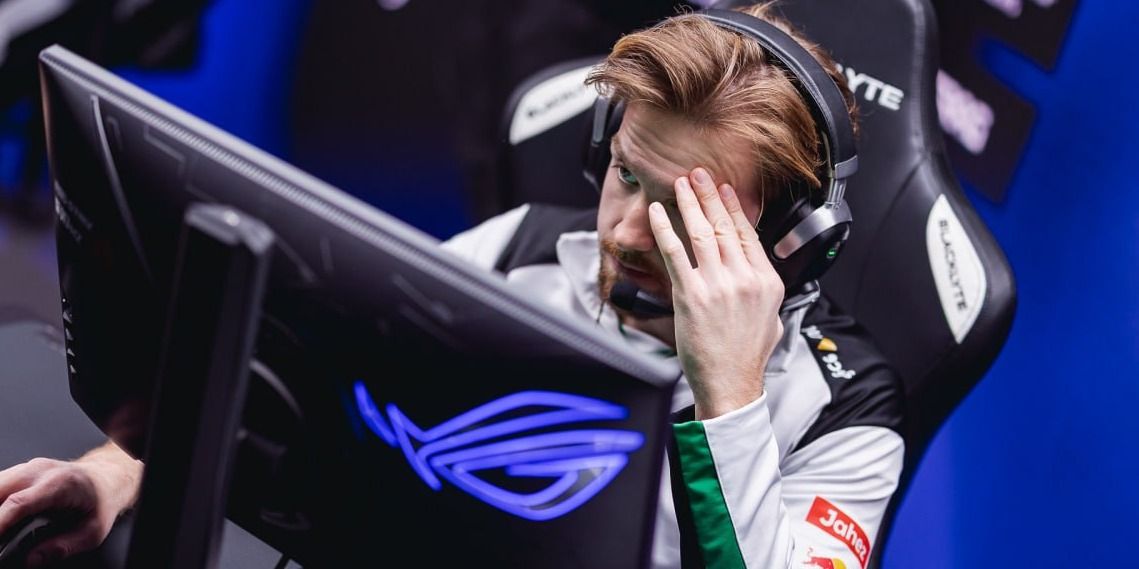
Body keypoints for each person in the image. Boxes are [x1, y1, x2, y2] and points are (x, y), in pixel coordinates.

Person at [0, 3, 904, 568]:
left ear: (786, 239)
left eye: (683, 213)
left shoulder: (847, 412)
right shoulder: (522, 248)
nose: (625, 232)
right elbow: (301, 379)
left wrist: (728, 396)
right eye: (626, 174)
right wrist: (121, 470)